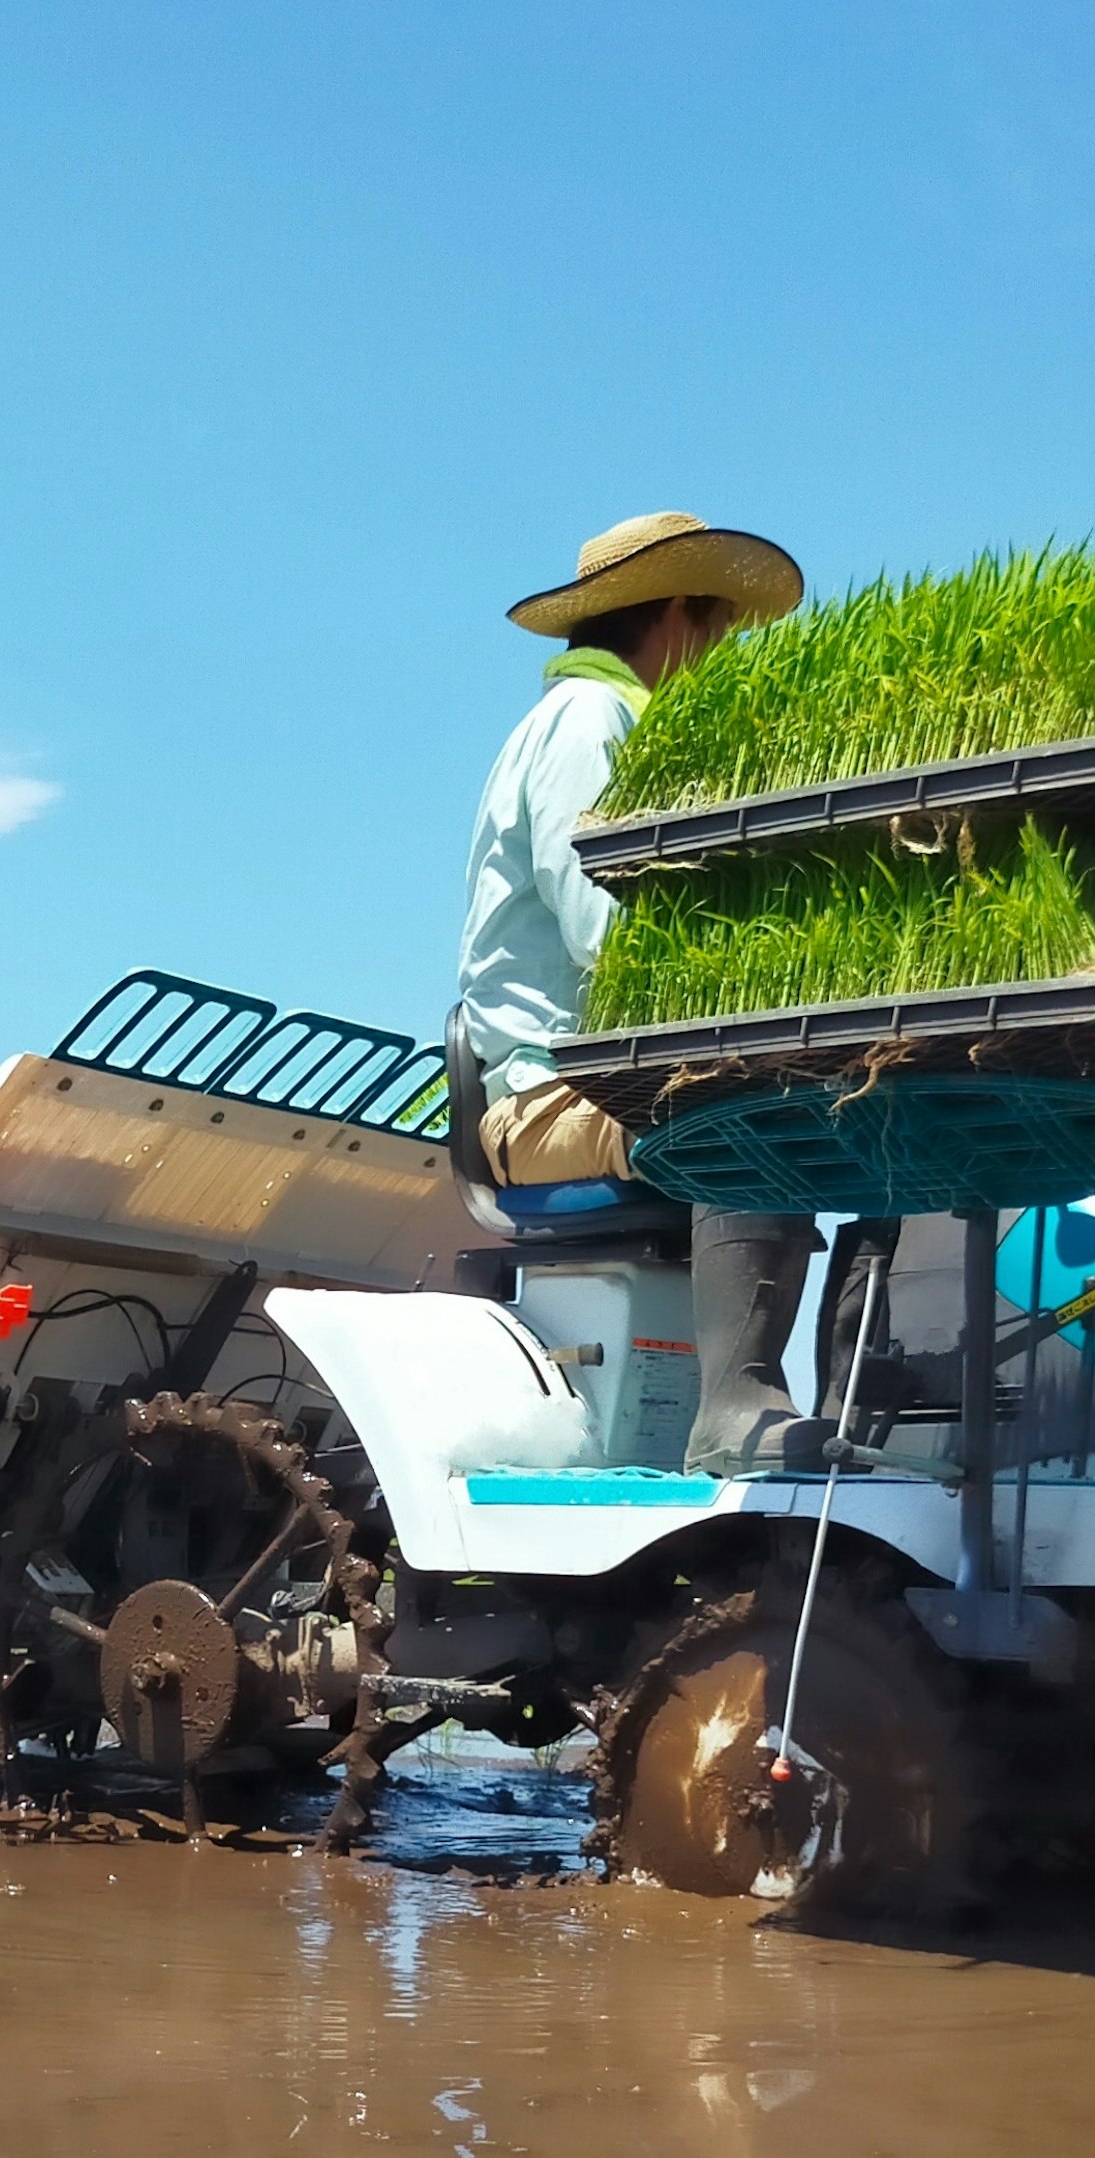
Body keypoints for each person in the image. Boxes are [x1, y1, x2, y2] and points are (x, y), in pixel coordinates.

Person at [455, 510, 829, 1473]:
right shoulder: (591, 723)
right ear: (676, 617)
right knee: (742, 1110)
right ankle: (736, 1405)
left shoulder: (612, 726)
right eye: (720, 632)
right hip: (547, 1102)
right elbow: (609, 934)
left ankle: (825, 1397)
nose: (721, 659)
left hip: (606, 1088)